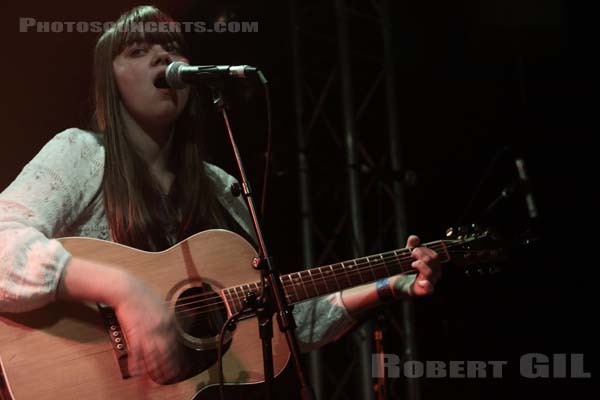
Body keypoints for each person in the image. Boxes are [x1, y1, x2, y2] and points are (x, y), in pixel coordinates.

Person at [0, 5, 441, 384]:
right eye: (139, 50)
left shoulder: (221, 188)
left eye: (172, 47)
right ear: (109, 81)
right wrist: (122, 288)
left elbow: (280, 319)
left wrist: (390, 283)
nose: (163, 55)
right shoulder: (80, 153)